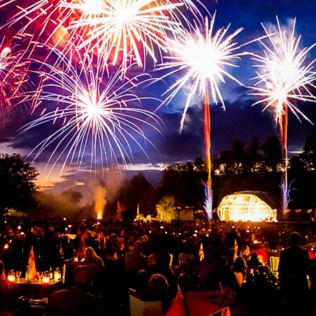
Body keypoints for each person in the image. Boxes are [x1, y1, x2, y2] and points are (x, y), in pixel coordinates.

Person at [279, 231, 312, 315]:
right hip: (300, 281)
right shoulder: (304, 252)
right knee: (301, 306)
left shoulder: (284, 253)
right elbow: (307, 267)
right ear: (299, 241)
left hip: (288, 282)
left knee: (289, 306)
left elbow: (281, 268)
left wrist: (282, 280)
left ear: (290, 241)